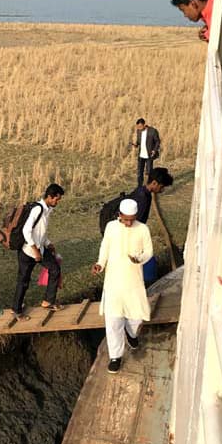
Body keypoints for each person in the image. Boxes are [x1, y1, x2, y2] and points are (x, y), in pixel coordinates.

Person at [92, 199, 153, 374]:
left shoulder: (143, 229)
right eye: (125, 219)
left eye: (131, 219)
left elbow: (148, 251)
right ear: (119, 215)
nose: (128, 223)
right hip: (113, 280)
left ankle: (131, 333)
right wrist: (100, 264)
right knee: (113, 320)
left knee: (137, 316)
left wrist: (139, 259)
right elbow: (105, 247)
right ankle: (115, 356)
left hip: (133, 280)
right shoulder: (111, 227)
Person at [13, 184, 65, 321]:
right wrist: (35, 250)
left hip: (40, 249)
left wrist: (48, 243)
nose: (57, 202)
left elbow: (40, 231)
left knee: (54, 268)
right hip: (28, 252)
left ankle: (48, 301)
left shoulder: (47, 210)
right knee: (23, 281)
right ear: (49, 197)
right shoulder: (38, 209)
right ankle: (17, 310)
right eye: (56, 199)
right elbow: (26, 230)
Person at [131, 118, 162, 187]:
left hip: (149, 155)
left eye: (140, 126)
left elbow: (157, 141)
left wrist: (154, 150)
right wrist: (136, 144)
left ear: (144, 125)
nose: (139, 128)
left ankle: (149, 186)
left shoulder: (153, 131)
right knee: (139, 172)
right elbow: (139, 141)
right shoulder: (138, 131)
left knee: (149, 172)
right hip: (141, 155)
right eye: (138, 127)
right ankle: (139, 186)